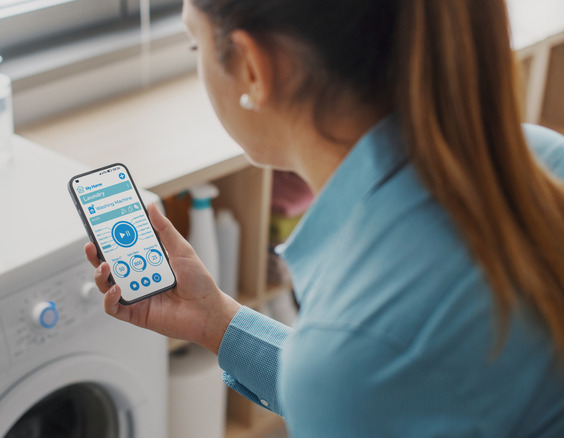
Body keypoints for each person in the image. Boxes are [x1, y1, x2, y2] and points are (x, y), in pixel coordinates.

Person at [85, 0, 564, 436]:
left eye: (196, 43)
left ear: (253, 69)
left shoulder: (349, 357)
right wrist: (215, 321)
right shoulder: (542, 158)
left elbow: (362, 376)